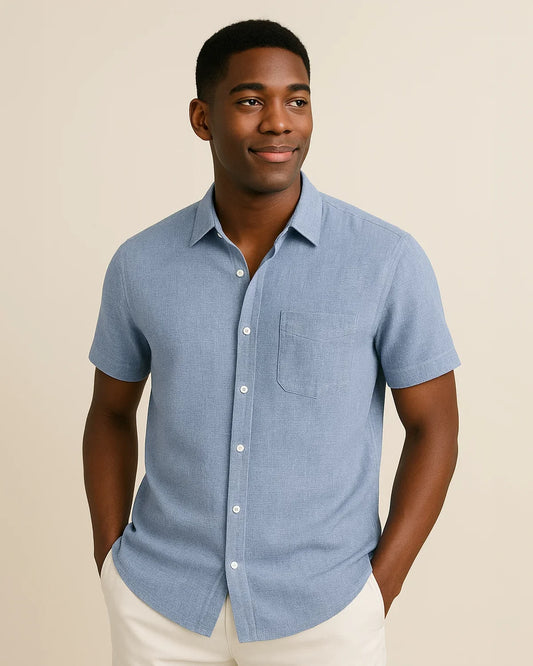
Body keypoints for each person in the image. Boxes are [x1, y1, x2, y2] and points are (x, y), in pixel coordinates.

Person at [83, 18, 461, 666]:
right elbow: (110, 413)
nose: (279, 122)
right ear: (202, 118)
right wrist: (110, 562)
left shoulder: (386, 260)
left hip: (325, 611)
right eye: (251, 100)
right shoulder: (139, 264)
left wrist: (379, 589)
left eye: (297, 100)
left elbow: (436, 429)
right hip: (160, 607)